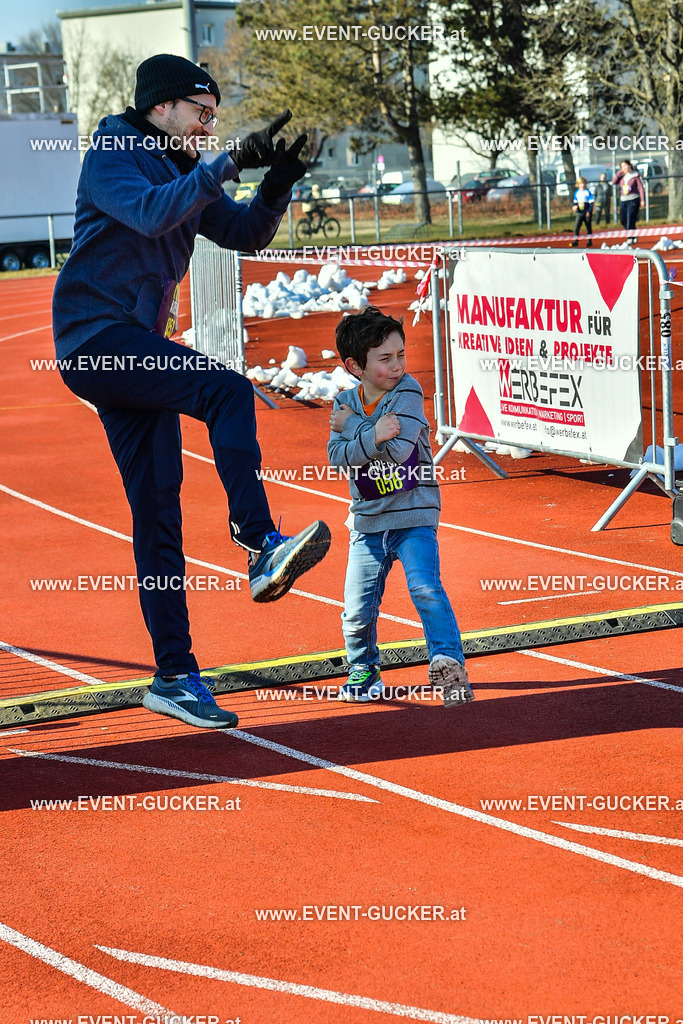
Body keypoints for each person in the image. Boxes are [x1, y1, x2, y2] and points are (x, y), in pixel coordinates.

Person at [52, 53, 331, 730]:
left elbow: (241, 232)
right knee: (226, 391)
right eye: (199, 115)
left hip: (132, 347)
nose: (207, 128)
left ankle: (173, 676)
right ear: (161, 108)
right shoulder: (116, 149)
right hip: (94, 339)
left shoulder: (183, 167)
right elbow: (150, 215)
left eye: (214, 119)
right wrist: (227, 161)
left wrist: (278, 184)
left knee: (158, 518)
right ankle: (258, 537)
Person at [327, 306, 472, 708]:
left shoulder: (406, 392)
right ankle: (364, 669)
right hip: (368, 520)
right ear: (356, 366)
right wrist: (371, 432)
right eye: (385, 359)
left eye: (401, 355)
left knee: (425, 587)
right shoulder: (343, 401)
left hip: (414, 514)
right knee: (356, 609)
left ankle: (448, 661)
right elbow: (337, 458)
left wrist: (355, 429)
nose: (397, 366)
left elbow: (398, 451)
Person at [612, 159, 645, 244]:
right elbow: (613, 182)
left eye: (626, 165)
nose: (624, 168)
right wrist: (619, 174)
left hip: (633, 199)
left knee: (630, 217)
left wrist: (642, 200)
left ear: (630, 165)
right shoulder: (621, 176)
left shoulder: (635, 175)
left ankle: (630, 237)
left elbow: (641, 188)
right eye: (622, 166)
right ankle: (633, 233)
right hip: (623, 200)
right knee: (623, 220)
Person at [570, 177, 594, 247]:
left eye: (583, 183)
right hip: (579, 212)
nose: (582, 185)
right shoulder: (577, 193)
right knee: (577, 227)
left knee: (588, 227)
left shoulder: (588, 192)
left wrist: (589, 211)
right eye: (580, 183)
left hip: (586, 212)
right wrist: (574, 206)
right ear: (578, 184)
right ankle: (576, 240)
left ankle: (589, 241)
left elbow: (591, 203)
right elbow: (575, 202)